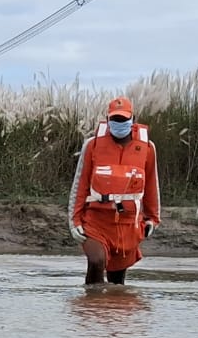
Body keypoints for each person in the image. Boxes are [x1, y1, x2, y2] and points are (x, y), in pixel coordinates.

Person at [68, 96, 161, 285]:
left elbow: (152, 186)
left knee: (117, 283)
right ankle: (91, 306)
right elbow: (80, 185)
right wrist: (74, 220)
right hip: (96, 221)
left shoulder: (148, 148)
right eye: (115, 120)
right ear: (108, 119)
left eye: (123, 120)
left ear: (133, 120)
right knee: (96, 261)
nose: (119, 124)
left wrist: (152, 218)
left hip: (127, 225)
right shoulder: (92, 145)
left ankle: (111, 311)